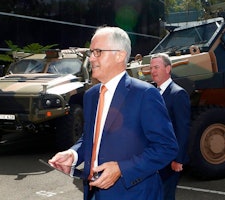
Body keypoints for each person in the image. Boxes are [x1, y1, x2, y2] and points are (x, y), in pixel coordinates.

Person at [48, 26, 179, 200]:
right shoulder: (91, 95)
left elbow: (166, 148)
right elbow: (91, 137)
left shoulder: (145, 94)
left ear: (120, 55)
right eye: (91, 52)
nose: (91, 58)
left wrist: (121, 169)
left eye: (98, 52)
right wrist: (73, 154)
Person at [150, 53, 191, 200]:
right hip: (153, 157)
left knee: (166, 196)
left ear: (168, 69)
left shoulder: (178, 94)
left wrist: (178, 159)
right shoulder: (152, 93)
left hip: (170, 159)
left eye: (156, 67)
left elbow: (183, 129)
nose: (153, 71)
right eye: (151, 68)